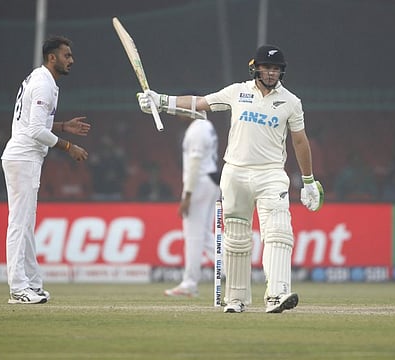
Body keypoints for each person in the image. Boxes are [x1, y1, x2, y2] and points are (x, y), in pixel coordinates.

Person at [138, 44, 323, 313]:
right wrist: (161, 101)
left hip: (271, 173)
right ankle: (236, 298)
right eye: (266, 67)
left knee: (278, 231)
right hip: (235, 172)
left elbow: (299, 140)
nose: (271, 73)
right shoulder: (237, 92)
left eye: (275, 69)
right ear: (255, 68)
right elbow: (199, 103)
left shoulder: (292, 102)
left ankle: (277, 294)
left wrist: (308, 180)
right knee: (236, 238)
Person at [1, 36, 90, 304]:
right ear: (52, 58)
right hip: (23, 157)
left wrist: (63, 126)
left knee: (26, 223)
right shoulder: (43, 84)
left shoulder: (42, 80)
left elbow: (35, 121)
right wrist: (68, 146)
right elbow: (34, 130)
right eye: (67, 56)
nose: (71, 60)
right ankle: (18, 288)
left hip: (27, 158)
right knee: (19, 223)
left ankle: (32, 284)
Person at [164, 109, 221, 297]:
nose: (179, 113)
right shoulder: (208, 125)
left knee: (193, 236)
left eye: (183, 108)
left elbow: (195, 163)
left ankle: (189, 282)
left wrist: (187, 196)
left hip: (199, 183)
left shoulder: (196, 129)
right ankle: (234, 271)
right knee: (204, 235)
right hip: (211, 181)